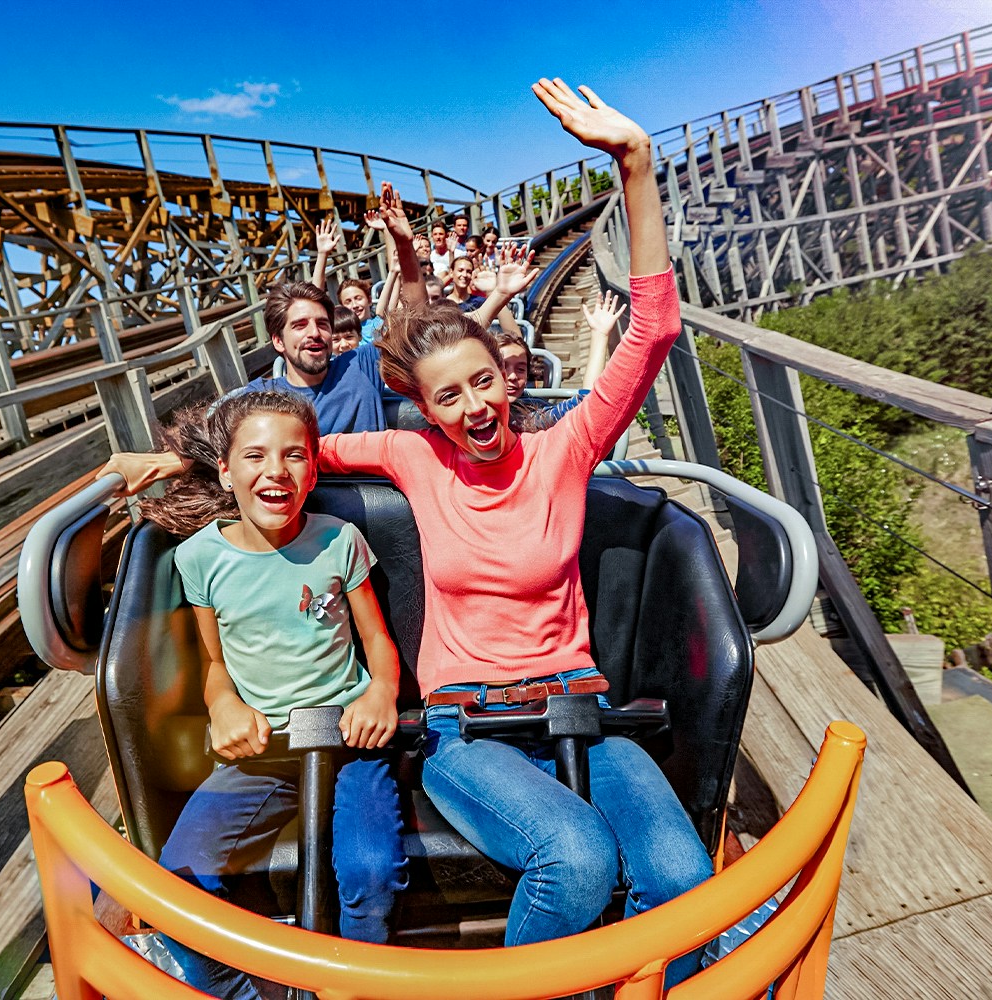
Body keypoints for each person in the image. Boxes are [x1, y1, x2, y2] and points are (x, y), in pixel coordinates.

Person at [102, 79, 718, 987]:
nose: (474, 407)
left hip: (582, 706)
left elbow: (653, 330)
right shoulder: (412, 457)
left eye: (484, 383)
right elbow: (292, 450)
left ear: (508, 382)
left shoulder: (565, 449)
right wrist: (188, 463)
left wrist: (636, 165)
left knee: (685, 882)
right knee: (578, 861)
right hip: (468, 726)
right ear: (425, 411)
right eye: (448, 396)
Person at [138, 390, 407, 1000]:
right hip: (267, 752)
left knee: (371, 871)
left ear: (313, 469)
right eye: (254, 456)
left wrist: (381, 692)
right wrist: (223, 705)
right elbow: (214, 662)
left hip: (348, 740)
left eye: (293, 456)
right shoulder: (200, 557)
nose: (275, 471)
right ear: (226, 471)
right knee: (178, 881)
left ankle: (355, 988)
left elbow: (376, 642)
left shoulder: (338, 540)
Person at [245, 282, 389, 434]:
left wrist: (405, 265)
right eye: (300, 325)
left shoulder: (360, 363)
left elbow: (413, 323)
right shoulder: (261, 395)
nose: (315, 332)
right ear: (279, 341)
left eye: (322, 324)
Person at [507, 289, 624, 429]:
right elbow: (584, 405)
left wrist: (599, 334)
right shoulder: (518, 420)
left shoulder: (525, 411)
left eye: (520, 369)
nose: (512, 376)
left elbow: (584, 404)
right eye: (502, 367)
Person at [337, 277, 383, 343]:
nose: (355, 305)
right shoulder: (343, 339)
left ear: (369, 300)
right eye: (348, 302)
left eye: (358, 298)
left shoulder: (383, 323)